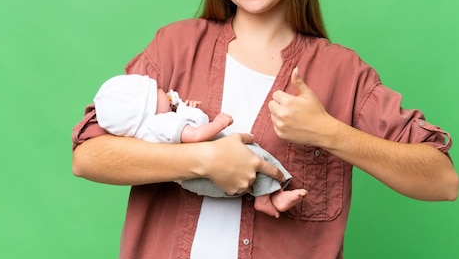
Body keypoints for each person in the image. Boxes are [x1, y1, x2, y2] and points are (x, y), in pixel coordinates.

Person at [72, 0, 459, 259]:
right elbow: (88, 156)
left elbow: (443, 181)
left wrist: (330, 132)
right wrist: (203, 159)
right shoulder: (176, 46)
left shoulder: (342, 73)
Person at [93, 73, 308, 217]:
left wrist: (187, 110)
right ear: (148, 108)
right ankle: (267, 199)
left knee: (254, 162)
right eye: (158, 90)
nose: (165, 91)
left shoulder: (153, 127)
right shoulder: (161, 123)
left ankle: (272, 196)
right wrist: (219, 123)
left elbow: (185, 129)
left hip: (196, 179)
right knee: (255, 160)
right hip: (202, 176)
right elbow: (195, 135)